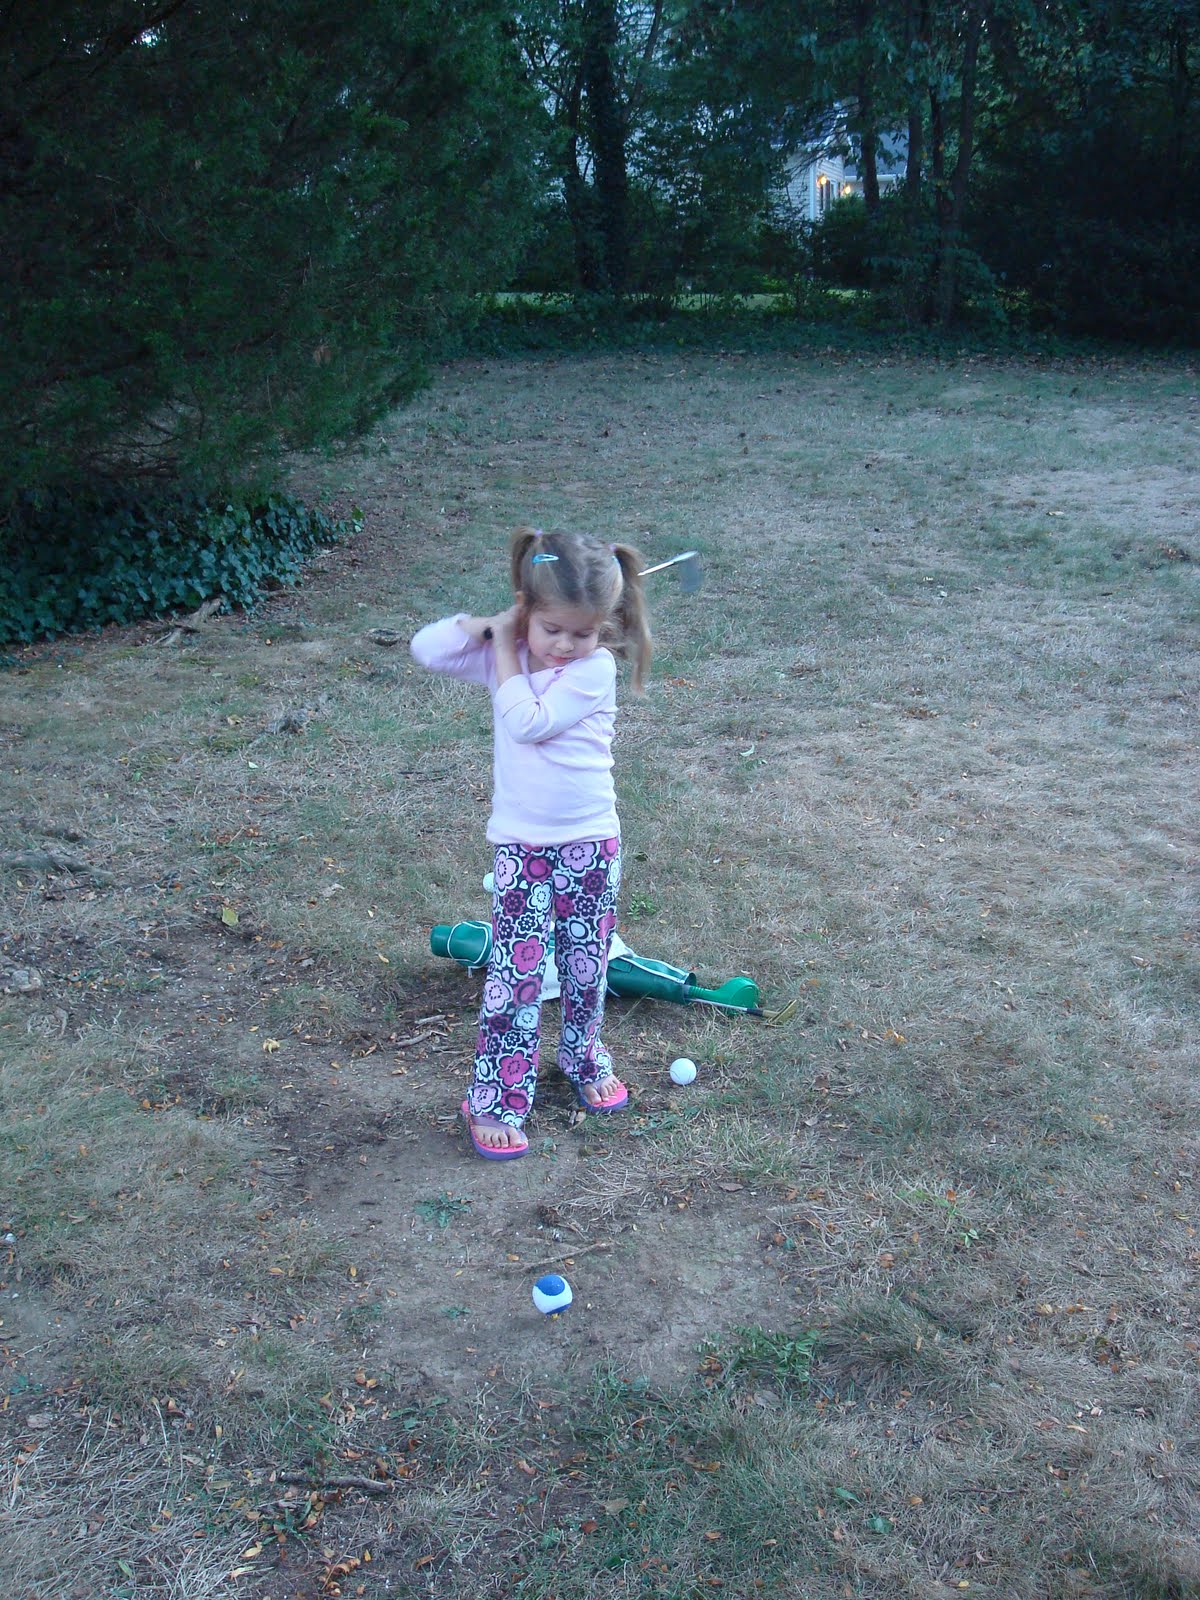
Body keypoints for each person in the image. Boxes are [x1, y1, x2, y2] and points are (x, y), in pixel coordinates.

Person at [410, 526, 652, 1160]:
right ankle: (495, 1098)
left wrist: (508, 653)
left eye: (583, 632)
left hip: (590, 843)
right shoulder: (510, 648)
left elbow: (528, 722)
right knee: (516, 975)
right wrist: (493, 627)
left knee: (585, 964)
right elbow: (426, 648)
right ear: (527, 609)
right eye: (552, 629)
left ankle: (583, 1056)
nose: (566, 646)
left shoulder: (593, 670)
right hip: (522, 847)